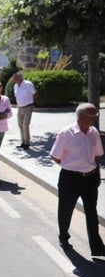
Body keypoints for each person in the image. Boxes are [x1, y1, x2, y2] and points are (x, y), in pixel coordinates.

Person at [50, 103, 105, 256]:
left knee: (92, 213)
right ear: (81, 117)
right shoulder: (66, 133)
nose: (95, 120)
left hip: (90, 178)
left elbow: (98, 154)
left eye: (96, 116)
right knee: (65, 210)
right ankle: (64, 236)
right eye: (93, 117)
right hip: (70, 179)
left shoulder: (93, 132)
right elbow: (55, 155)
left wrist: (97, 174)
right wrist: (70, 166)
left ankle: (97, 247)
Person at [13, 72, 37, 150]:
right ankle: (23, 142)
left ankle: (27, 142)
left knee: (25, 125)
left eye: (15, 77)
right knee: (20, 125)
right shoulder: (15, 86)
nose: (14, 79)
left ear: (20, 78)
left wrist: (35, 103)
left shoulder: (28, 84)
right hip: (20, 108)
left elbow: (34, 94)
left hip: (28, 107)